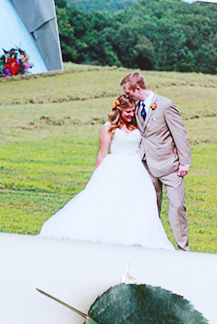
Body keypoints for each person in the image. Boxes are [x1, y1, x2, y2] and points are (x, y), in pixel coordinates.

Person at [39, 95, 174, 249]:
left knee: (136, 202)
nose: (131, 115)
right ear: (119, 110)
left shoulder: (138, 127)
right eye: (128, 112)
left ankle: (131, 232)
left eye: (133, 111)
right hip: (115, 167)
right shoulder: (109, 127)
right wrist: (97, 177)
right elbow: (102, 154)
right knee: (109, 199)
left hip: (135, 168)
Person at [121, 70, 191, 250]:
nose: (126, 95)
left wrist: (185, 162)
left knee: (176, 208)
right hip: (146, 166)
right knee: (151, 208)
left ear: (137, 89)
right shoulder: (135, 105)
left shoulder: (166, 105)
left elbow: (180, 134)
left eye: (128, 92)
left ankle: (183, 248)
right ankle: (153, 245)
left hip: (170, 166)